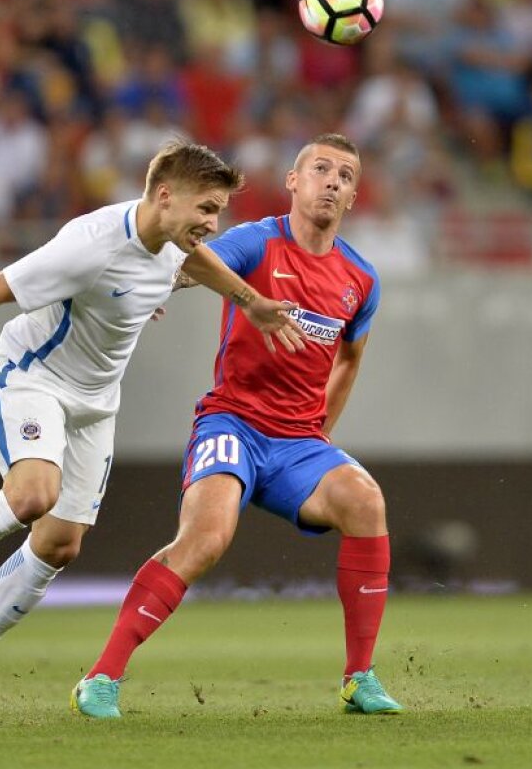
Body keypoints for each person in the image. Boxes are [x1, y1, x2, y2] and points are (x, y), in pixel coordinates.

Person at [0, 141, 304, 719]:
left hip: (95, 403)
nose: (213, 225)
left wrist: (251, 301)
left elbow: (190, 264)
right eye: (206, 210)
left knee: (60, 544)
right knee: (32, 495)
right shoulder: (89, 245)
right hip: (33, 377)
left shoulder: (172, 241)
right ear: (164, 196)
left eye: (218, 213)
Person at [71, 133, 403, 718]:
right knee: (205, 540)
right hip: (233, 423)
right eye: (320, 168)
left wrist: (321, 427)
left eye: (346, 176)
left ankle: (359, 678)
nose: (332, 181)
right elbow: (193, 261)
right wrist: (154, 285)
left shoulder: (361, 279)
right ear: (293, 182)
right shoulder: (257, 241)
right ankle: (100, 678)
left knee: (365, 502)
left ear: (353, 197)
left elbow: (350, 357)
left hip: (299, 442)